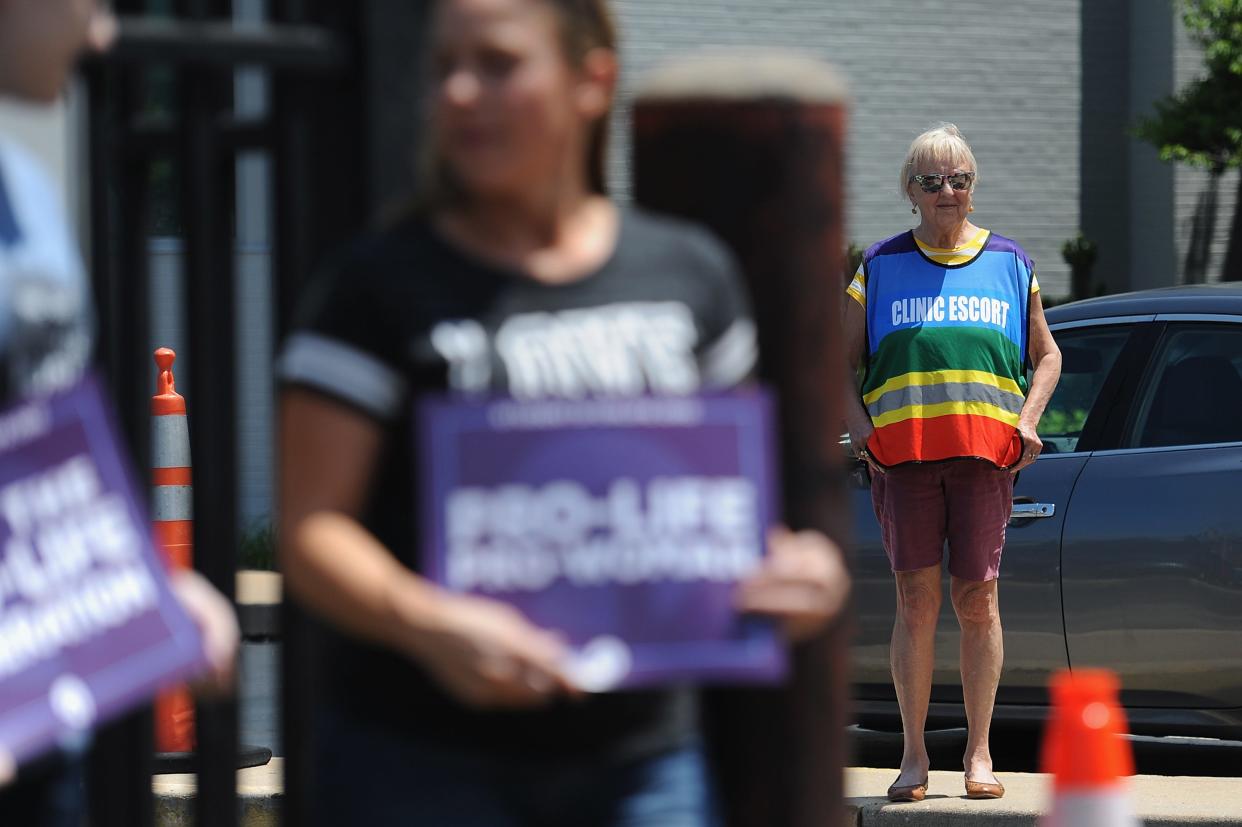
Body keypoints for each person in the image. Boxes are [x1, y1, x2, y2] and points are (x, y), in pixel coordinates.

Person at [276, 0, 849, 824]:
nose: (462, 93)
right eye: (444, 69)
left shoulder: (690, 275)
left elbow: (733, 512)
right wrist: (432, 625)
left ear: (592, 81)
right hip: (422, 765)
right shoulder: (374, 287)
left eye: (499, 63)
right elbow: (310, 528)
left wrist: (802, 572)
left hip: (643, 766)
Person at [0, 1, 239, 822]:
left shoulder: (24, 192)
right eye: (91, 0)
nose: (104, 34)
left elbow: (35, 466)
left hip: (39, 739)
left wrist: (145, 590)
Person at [843, 123, 1061, 803]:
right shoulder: (878, 265)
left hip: (985, 460)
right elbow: (834, 361)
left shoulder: (1011, 263)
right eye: (932, 180)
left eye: (959, 178)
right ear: (909, 190)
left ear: (974, 186)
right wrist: (863, 436)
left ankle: (979, 752)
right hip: (902, 461)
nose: (947, 190)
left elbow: (1047, 355)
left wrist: (1027, 421)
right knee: (915, 601)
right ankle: (912, 756)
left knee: (978, 599)